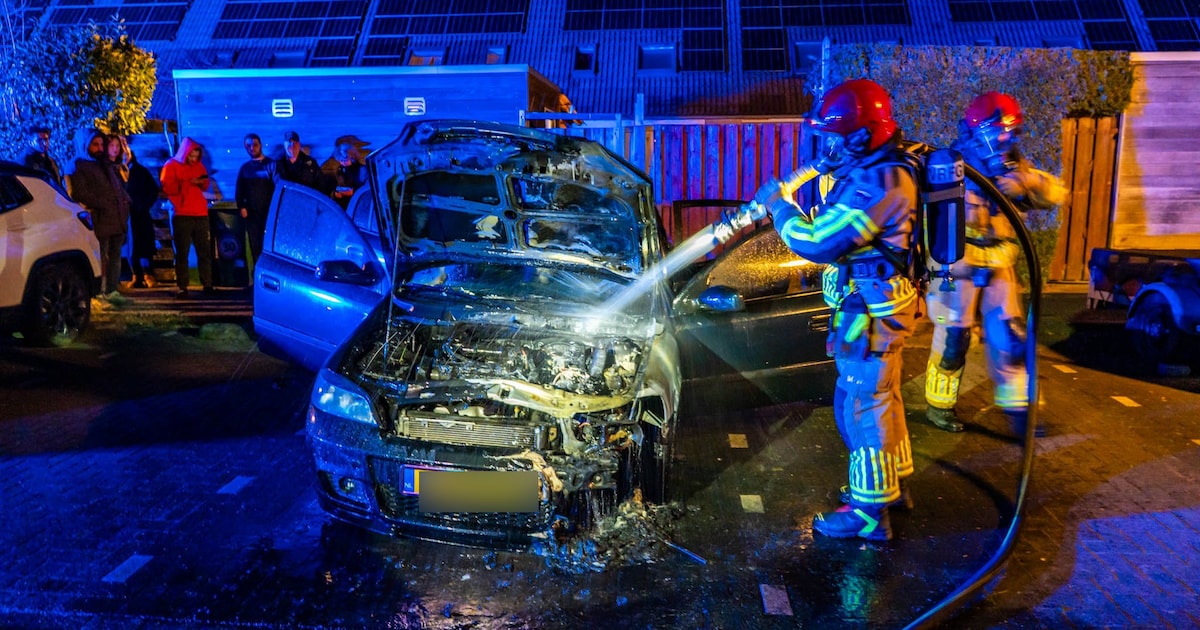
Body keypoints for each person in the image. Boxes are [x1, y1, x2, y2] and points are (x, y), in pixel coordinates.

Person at [753, 79, 920, 542]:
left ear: (863, 135)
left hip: (872, 315)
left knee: (860, 406)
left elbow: (820, 241)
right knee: (881, 399)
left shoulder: (878, 181)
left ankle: (869, 514)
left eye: (835, 136)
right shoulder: (877, 165)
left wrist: (780, 209)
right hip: (874, 308)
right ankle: (891, 485)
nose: (828, 145)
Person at [923, 92, 1066, 438]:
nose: (1006, 139)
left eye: (1011, 132)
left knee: (1011, 338)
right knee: (954, 339)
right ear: (976, 129)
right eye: (998, 130)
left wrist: (1025, 182)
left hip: (999, 263)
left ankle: (1020, 411)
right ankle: (939, 406)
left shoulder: (1016, 165)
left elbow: (1056, 193)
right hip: (955, 268)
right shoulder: (951, 165)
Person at [66, 129, 132, 302]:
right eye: (95, 144)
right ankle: (100, 291)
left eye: (102, 144)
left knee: (115, 256)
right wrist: (103, 204)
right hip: (99, 219)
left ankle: (112, 289)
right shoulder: (78, 165)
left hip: (116, 218)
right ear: (86, 145)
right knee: (101, 257)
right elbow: (79, 193)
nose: (100, 148)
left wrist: (125, 202)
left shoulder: (106, 164)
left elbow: (117, 186)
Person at [160, 137, 214, 298]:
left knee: (204, 251)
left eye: (196, 156)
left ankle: (208, 284)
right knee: (182, 252)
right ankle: (182, 286)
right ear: (185, 153)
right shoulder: (171, 166)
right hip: (182, 214)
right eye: (191, 155)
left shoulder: (199, 166)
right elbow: (167, 186)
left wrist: (200, 181)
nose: (194, 159)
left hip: (200, 213)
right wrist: (188, 182)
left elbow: (205, 183)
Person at [235, 133, 279, 263]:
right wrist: (241, 206)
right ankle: (256, 279)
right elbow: (239, 191)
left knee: (269, 247)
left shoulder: (271, 165)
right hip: (252, 215)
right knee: (255, 247)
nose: (252, 148)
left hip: (269, 215)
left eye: (255, 145)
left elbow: (278, 188)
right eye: (248, 145)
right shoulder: (245, 168)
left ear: (260, 145)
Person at [123, 143, 162, 288]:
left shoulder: (140, 171)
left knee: (144, 244)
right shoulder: (115, 172)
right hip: (126, 215)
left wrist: (144, 205)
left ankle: (148, 273)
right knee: (130, 246)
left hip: (141, 213)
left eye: (126, 155)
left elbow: (153, 190)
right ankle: (135, 275)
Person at [322, 141, 366, 209]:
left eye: (345, 160)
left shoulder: (361, 170)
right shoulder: (340, 169)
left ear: (352, 157)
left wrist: (345, 193)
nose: (343, 163)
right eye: (341, 161)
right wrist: (335, 193)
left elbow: (362, 190)